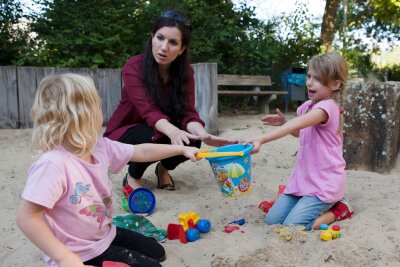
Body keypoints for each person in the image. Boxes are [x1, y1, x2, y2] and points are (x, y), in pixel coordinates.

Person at [16, 73, 200, 267]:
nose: (100, 111)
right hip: (79, 252)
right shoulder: (53, 164)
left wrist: (180, 149)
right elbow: (26, 217)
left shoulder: (99, 146)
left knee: (157, 252)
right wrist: (64, 258)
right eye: (96, 105)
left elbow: (141, 151)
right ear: (82, 114)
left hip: (105, 234)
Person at [104, 10, 236, 191]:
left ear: (182, 49)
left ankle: (163, 169)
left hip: (159, 129)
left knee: (193, 140)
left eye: (173, 42)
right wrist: (174, 132)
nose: (164, 47)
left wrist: (202, 134)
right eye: (160, 38)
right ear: (152, 38)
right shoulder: (133, 67)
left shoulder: (186, 72)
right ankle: (133, 176)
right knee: (159, 135)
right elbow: (148, 111)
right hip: (127, 131)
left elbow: (188, 112)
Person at [248, 52, 352, 231]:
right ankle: (301, 203)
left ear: (335, 84)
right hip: (303, 180)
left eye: (317, 79)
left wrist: (262, 139)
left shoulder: (327, 108)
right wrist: (284, 123)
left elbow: (295, 125)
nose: (309, 82)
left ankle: (340, 209)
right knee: (272, 220)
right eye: (309, 76)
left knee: (294, 225)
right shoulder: (306, 107)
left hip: (324, 184)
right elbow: (300, 133)